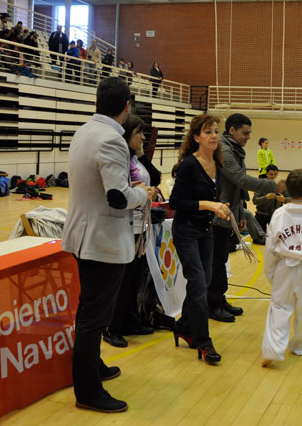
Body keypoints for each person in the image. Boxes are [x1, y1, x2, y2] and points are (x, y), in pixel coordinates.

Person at [61, 77, 157, 413]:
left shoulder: (85, 131)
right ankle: (87, 391)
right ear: (127, 107)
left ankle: (94, 368)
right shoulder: (112, 140)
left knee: (94, 313)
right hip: (100, 240)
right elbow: (117, 197)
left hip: (84, 235)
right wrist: (141, 194)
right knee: (92, 316)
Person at [169, 113, 232, 364]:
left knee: (203, 282)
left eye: (216, 131)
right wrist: (208, 204)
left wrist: (220, 206)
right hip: (185, 230)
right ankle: (204, 341)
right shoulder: (189, 165)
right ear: (196, 138)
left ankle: (184, 326)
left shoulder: (217, 161)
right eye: (208, 132)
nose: (214, 135)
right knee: (197, 282)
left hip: (205, 232)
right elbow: (176, 202)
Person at [209, 114, 283, 322]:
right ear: (232, 131)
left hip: (229, 212)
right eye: (245, 133)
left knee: (222, 258)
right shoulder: (224, 149)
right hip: (218, 213)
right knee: (216, 261)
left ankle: (219, 299)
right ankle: (212, 304)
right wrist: (273, 185)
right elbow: (239, 179)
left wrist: (240, 213)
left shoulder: (234, 149)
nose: (249, 137)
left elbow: (237, 187)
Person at [261, 169, 302, 367]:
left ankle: (273, 349)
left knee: (279, 307)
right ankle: (301, 344)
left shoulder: (279, 214)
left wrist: (270, 272)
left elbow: (270, 246)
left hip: (283, 265)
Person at [103, 115, 160, 349]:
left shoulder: (136, 158)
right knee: (123, 279)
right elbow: (119, 190)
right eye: (139, 133)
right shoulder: (121, 158)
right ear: (127, 135)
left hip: (140, 223)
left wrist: (141, 152)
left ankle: (130, 320)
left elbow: (155, 176)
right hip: (125, 224)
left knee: (136, 275)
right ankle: (111, 327)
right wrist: (137, 190)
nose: (144, 137)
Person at [252, 164, 289, 232]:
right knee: (258, 239)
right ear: (267, 174)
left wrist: (284, 199)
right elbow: (254, 200)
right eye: (271, 174)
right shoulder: (261, 184)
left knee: (277, 239)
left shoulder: (280, 185)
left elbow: (291, 199)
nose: (273, 176)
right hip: (261, 214)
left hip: (276, 215)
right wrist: (266, 197)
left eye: (275, 174)